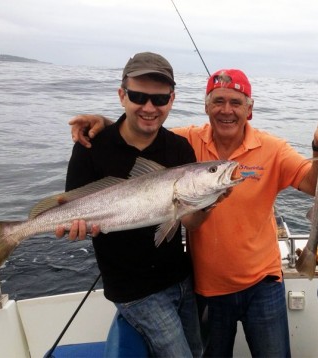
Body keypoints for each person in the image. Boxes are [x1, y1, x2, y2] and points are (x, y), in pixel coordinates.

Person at [66, 69, 318, 357]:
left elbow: (315, 185)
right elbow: (143, 131)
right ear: (205, 106)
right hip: (208, 288)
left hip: (263, 284)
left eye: (236, 102)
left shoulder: (273, 148)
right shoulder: (186, 141)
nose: (226, 110)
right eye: (218, 102)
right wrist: (103, 123)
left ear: (250, 109)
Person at [61, 52, 204, 357]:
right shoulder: (90, 146)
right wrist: (77, 228)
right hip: (133, 291)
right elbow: (70, 207)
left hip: (180, 278)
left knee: (198, 351)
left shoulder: (178, 148)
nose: (149, 107)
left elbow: (191, 222)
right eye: (138, 96)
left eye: (160, 99)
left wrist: (209, 199)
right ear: (121, 95)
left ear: (172, 99)